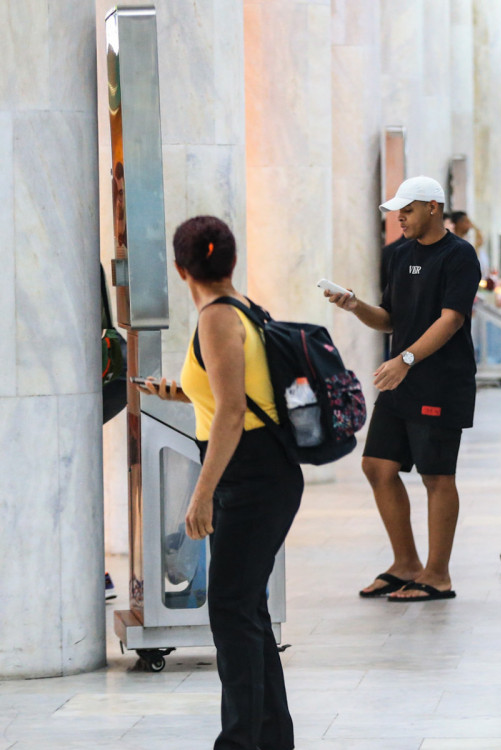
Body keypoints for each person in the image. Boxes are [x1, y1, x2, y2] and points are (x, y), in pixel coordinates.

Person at [138, 216, 304, 750]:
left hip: (250, 475)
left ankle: (240, 742)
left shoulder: (215, 317)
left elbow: (233, 412)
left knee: (231, 610)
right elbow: (229, 396)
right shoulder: (242, 308)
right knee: (245, 606)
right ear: (229, 260)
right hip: (262, 470)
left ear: (181, 268)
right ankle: (271, 738)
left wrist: (201, 493)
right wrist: (179, 393)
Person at [329, 175, 480, 602]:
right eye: (397, 211)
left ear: (433, 207)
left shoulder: (460, 256)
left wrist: (406, 360)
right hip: (401, 378)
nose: (400, 217)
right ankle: (406, 564)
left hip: (438, 381)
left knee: (436, 474)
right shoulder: (398, 255)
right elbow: (390, 318)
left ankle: (438, 574)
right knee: (377, 465)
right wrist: (356, 305)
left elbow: (452, 319)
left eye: (408, 209)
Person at [449, 209, 487, 275]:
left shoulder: (464, 242)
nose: (470, 225)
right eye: (467, 222)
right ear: (458, 223)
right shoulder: (453, 244)